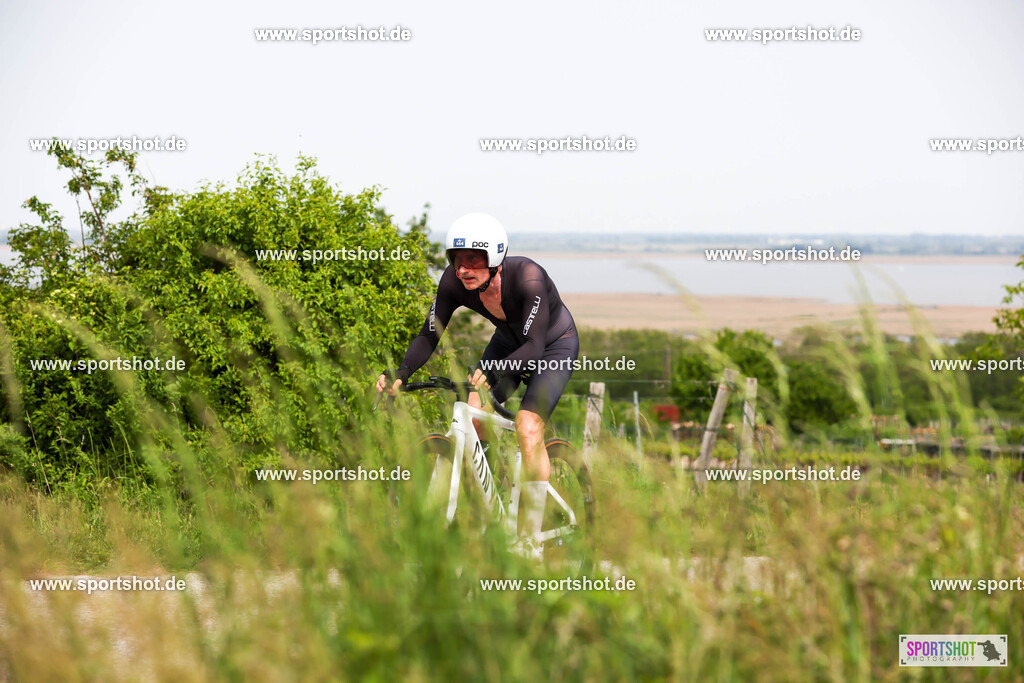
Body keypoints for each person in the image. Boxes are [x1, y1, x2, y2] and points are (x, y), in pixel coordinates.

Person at [375, 213, 579, 558]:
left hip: (551, 347)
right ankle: (492, 500)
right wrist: (402, 371)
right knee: (473, 411)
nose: (463, 269)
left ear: (495, 257)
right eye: (457, 260)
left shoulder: (528, 277)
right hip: (507, 343)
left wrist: (496, 370)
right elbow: (429, 334)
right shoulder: (453, 282)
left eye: (473, 259)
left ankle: (530, 539)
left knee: (528, 427)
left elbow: (533, 346)